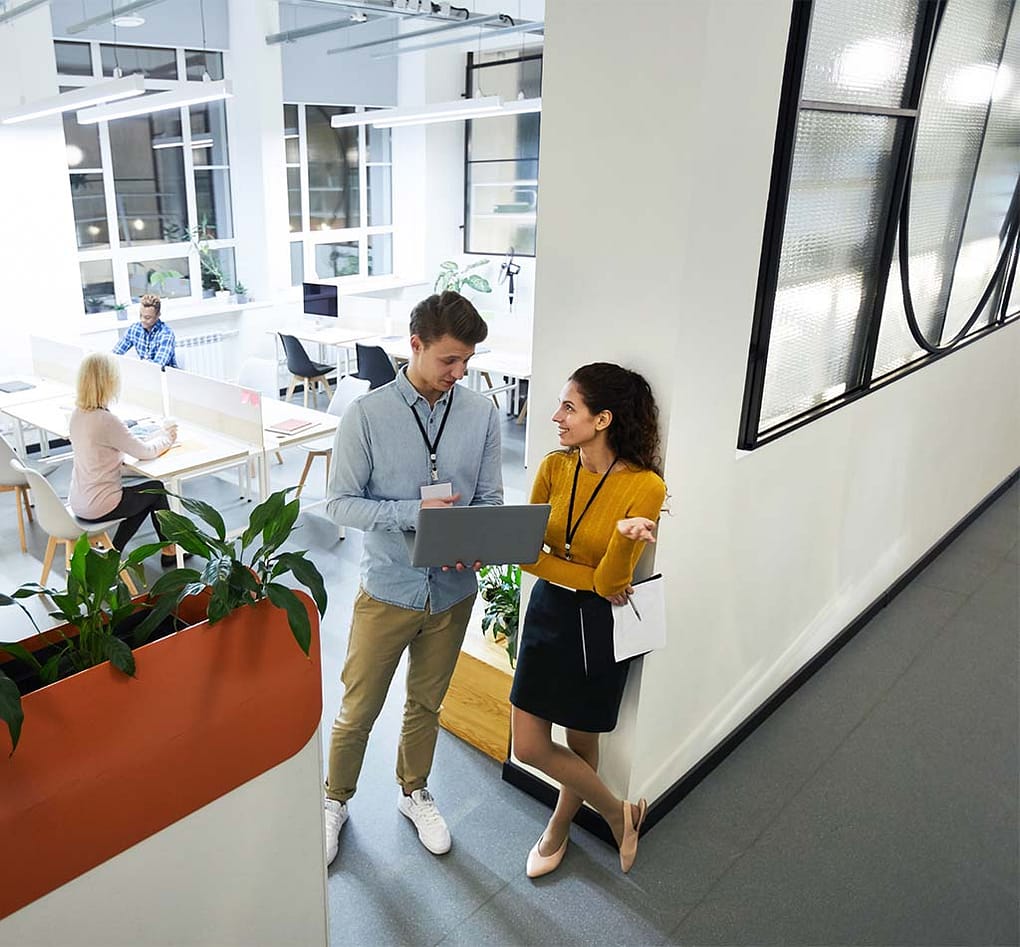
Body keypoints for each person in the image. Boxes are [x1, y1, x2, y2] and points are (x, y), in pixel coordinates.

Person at [324, 291, 503, 866]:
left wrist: (473, 543)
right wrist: (414, 515)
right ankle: (335, 801)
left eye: (467, 361)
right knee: (359, 706)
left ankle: (414, 791)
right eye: (449, 360)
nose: (460, 373)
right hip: (389, 589)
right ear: (415, 346)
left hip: (453, 592)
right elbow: (341, 505)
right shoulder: (368, 415)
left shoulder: (482, 414)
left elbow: (491, 501)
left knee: (426, 704)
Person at [510, 362, 667, 877]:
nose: (555, 416)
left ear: (602, 420)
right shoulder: (556, 468)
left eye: (568, 407)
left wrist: (619, 544)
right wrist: (586, 572)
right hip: (548, 612)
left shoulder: (645, 487)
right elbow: (526, 555)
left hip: (600, 624)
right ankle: (619, 813)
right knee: (530, 746)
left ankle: (560, 824)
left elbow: (611, 585)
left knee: (582, 740)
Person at [69, 352, 183, 566]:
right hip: (100, 505)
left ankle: (117, 551)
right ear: (108, 382)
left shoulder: (78, 414)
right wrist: (168, 437)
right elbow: (146, 452)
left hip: (78, 501)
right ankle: (163, 551)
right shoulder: (105, 420)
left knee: (140, 498)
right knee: (155, 490)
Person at [112, 293, 178, 368]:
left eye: (147, 317)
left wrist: (138, 366)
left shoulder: (166, 334)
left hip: (165, 376)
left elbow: (157, 366)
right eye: (141, 315)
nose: (142, 320)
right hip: (145, 373)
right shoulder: (134, 329)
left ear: (158, 315)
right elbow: (115, 354)